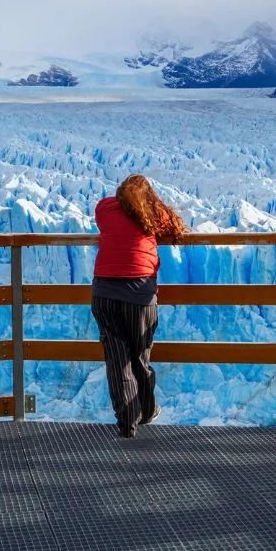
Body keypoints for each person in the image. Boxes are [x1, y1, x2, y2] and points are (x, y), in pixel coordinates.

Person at [92, 174, 187, 438]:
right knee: (140, 358)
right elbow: (172, 226)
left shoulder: (106, 208)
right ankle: (145, 411)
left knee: (117, 359)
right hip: (140, 297)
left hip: (105, 294)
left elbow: (102, 218)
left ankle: (127, 422)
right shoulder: (153, 214)